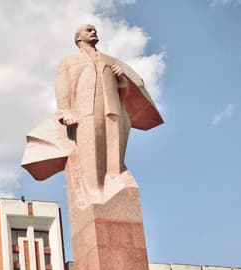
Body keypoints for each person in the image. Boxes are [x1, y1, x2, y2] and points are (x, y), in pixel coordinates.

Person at [22, 24, 162, 208]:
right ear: (78, 38)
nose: (93, 32)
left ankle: (115, 177)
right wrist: (66, 111)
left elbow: (123, 92)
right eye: (88, 30)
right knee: (90, 150)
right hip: (85, 111)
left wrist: (122, 80)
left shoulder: (109, 60)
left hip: (112, 109)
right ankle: (94, 191)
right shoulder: (69, 61)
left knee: (115, 149)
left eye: (94, 29)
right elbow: (62, 87)